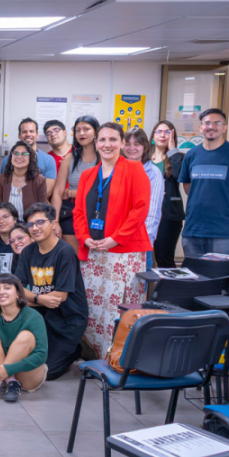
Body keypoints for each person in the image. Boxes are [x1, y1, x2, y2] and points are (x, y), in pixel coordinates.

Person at [73, 122, 151, 358]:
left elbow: (140, 209)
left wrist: (115, 239)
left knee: (118, 308)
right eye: (102, 140)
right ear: (96, 144)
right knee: (94, 309)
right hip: (93, 252)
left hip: (123, 253)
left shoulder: (134, 169)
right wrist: (84, 238)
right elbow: (78, 212)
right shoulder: (87, 175)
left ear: (122, 143)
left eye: (113, 139)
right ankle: (97, 356)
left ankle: (120, 358)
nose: (107, 144)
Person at [15, 204, 88, 379]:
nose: (35, 228)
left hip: (68, 320)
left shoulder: (65, 252)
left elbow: (59, 297)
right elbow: (17, 288)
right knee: (22, 362)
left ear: (54, 224)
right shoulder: (28, 252)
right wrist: (39, 299)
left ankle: (74, 350)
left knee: (45, 373)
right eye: (31, 224)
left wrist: (31, 297)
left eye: (40, 222)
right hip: (41, 316)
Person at [178, 108, 229, 258]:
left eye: (217, 123)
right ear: (201, 127)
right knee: (194, 278)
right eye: (207, 123)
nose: (211, 127)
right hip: (193, 229)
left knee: (219, 278)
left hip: (223, 231)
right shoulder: (191, 155)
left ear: (224, 128)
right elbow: (188, 187)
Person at [0, 274, 49, 402]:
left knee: (26, 336)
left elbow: (41, 353)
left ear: (18, 293)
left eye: (7, 288)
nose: (1, 292)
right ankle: (11, 382)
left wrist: (8, 369)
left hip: (27, 375)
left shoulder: (33, 317)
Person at [51, 116, 99, 254]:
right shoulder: (70, 158)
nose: (82, 133)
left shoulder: (104, 157)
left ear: (96, 131)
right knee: (74, 258)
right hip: (72, 211)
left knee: (94, 258)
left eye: (86, 129)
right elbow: (58, 192)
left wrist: (72, 192)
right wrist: (55, 222)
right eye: (78, 130)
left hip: (97, 212)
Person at [123, 127, 164, 261]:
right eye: (127, 144)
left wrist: (144, 241)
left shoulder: (153, 172)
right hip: (117, 240)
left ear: (145, 146)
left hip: (140, 242)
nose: (131, 148)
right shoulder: (117, 170)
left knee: (138, 281)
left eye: (137, 144)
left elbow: (152, 212)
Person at [150, 120, 186, 268]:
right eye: (159, 131)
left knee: (164, 259)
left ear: (173, 136)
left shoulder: (178, 157)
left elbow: (180, 176)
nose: (163, 135)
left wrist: (172, 150)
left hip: (168, 215)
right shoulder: (144, 157)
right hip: (146, 214)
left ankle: (169, 290)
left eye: (167, 132)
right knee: (143, 258)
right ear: (153, 135)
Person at [0, 141, 48, 220]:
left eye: (24, 154)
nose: (19, 157)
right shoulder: (2, 179)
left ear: (30, 158)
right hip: (7, 226)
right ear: (11, 157)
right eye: (16, 153)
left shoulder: (39, 180)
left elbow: (42, 210)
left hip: (30, 226)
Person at [2, 117, 58, 182]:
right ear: (19, 135)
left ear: (37, 135)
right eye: (24, 132)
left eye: (31, 131)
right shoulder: (8, 159)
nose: (28, 134)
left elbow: (47, 189)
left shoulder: (48, 160)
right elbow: (4, 185)